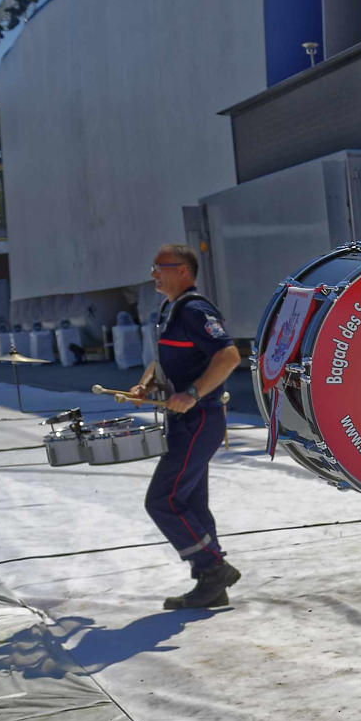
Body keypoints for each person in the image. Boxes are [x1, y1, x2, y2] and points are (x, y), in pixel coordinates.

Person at [132, 245, 241, 610]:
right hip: (185, 421)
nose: (153, 274)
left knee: (162, 501)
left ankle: (214, 566)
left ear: (182, 271)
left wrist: (193, 393)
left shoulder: (195, 310)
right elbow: (162, 359)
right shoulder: (170, 310)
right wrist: (145, 384)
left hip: (200, 419)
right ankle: (211, 587)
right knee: (191, 502)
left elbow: (229, 356)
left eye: (159, 267)